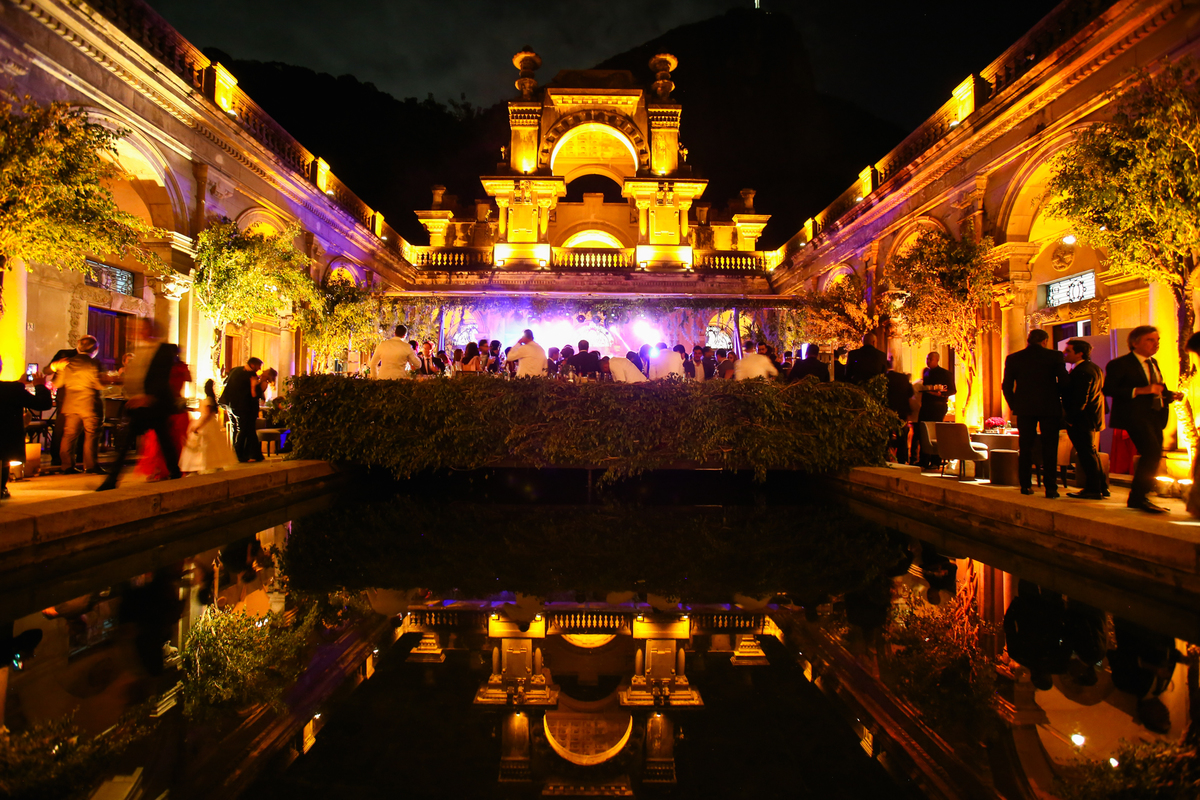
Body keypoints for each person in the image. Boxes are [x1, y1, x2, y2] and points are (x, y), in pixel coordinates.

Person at [97, 319, 182, 491]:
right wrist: (116, 380)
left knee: (162, 439)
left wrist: (148, 397)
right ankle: (174, 471)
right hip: (137, 403)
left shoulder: (164, 350)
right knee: (151, 439)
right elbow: (138, 375)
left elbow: (161, 378)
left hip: (154, 404)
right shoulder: (138, 350)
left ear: (151, 330)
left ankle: (113, 479)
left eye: (141, 328)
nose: (135, 331)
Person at [1105, 325, 1181, 514]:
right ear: (1135, 343)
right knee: (1151, 452)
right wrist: (1139, 391)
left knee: (1154, 454)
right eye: (1150, 340)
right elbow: (1109, 389)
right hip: (1134, 416)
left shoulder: (1153, 363)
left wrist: (1170, 395)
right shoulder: (1120, 364)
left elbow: (1157, 389)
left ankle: (1139, 497)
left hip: (1155, 415)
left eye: (1157, 340)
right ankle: (1139, 497)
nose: (1155, 344)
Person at [1001, 329, 1068, 498]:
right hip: (1049, 407)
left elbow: (1006, 386)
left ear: (1028, 340)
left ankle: (1025, 485)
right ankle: (1051, 487)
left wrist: (1014, 405)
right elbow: (1064, 381)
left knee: (1025, 447)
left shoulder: (1014, 358)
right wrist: (1060, 400)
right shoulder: (1055, 356)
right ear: (1045, 341)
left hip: (1025, 408)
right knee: (1050, 447)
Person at [1062, 339, 1109, 500]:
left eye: (1068, 351)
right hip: (1091, 417)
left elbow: (1081, 398)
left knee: (1086, 454)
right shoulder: (1094, 368)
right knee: (1091, 452)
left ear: (1079, 353)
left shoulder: (1082, 371)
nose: (1064, 353)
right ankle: (1102, 486)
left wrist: (1070, 418)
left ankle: (1093, 489)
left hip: (1082, 419)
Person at [0, 358, 52, 499]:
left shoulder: (12, 389)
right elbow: (43, 404)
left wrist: (19, 384)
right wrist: (40, 386)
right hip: (5, 440)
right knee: (3, 460)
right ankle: (1, 488)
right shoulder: (11, 390)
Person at [54, 336, 103, 474]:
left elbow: (57, 383)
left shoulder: (67, 363)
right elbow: (99, 384)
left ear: (79, 347)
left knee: (69, 435)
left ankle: (66, 465)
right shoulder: (94, 363)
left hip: (71, 404)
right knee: (91, 434)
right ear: (96, 349)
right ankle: (91, 465)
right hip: (89, 404)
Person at [137, 360, 192, 481]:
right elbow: (189, 379)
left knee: (158, 441)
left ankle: (160, 469)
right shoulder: (181, 368)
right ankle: (173, 468)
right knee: (175, 440)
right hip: (176, 405)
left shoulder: (162, 368)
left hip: (165, 405)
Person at [180, 379, 238, 474]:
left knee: (206, 446)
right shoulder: (210, 400)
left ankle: (203, 465)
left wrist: (199, 425)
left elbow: (206, 414)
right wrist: (190, 409)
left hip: (206, 424)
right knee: (213, 445)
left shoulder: (208, 400)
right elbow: (202, 410)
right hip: (211, 424)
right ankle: (214, 465)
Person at [46, 341, 83, 469]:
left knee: (81, 429)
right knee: (61, 428)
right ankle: (57, 457)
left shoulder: (90, 360)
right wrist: (55, 366)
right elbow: (47, 370)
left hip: (81, 398)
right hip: (65, 397)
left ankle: (80, 457)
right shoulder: (65, 354)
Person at [219, 357, 263, 463]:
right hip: (242, 406)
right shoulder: (251, 374)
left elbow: (225, 383)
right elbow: (253, 394)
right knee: (242, 429)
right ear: (253, 365)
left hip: (230, 405)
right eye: (258, 366)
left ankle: (239, 452)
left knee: (236, 428)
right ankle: (238, 453)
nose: (259, 369)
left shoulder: (235, 370)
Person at [886, 369, 914, 464]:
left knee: (887, 434)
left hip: (889, 409)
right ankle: (902, 458)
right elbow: (911, 393)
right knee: (902, 435)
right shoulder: (904, 378)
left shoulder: (886, 378)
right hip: (903, 410)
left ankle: (887, 456)